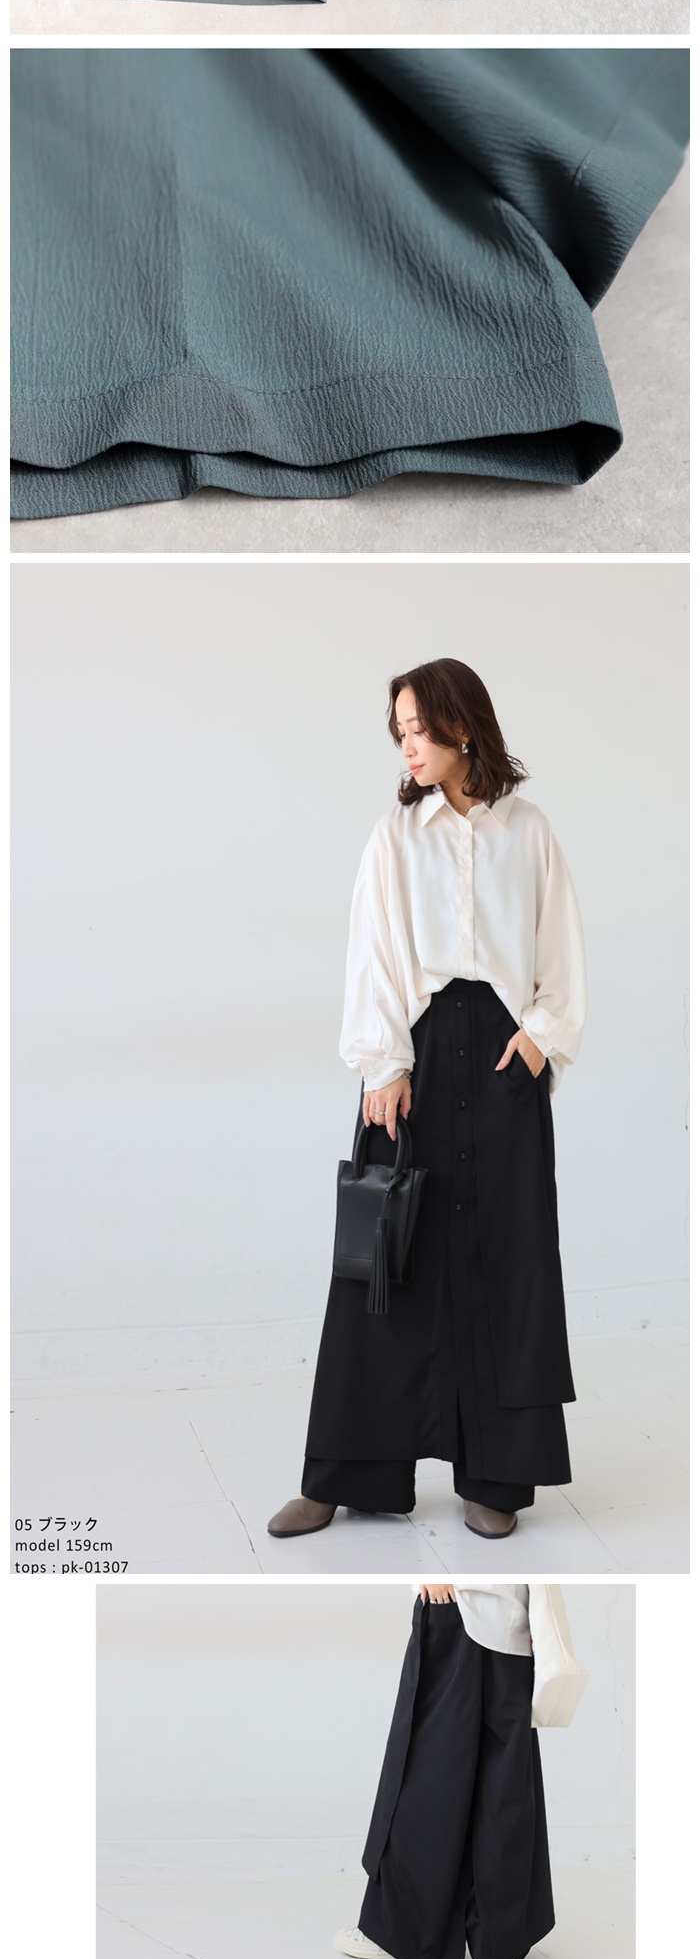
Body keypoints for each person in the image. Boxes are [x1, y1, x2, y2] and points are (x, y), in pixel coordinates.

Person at [269, 658, 586, 1544]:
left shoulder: (530, 832)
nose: (408, 746)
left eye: (420, 729)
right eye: (400, 732)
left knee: (509, 1256)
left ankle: (497, 1475)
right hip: (414, 1053)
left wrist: (539, 1038)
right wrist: (383, 1064)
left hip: (505, 1057)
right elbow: (372, 953)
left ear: (463, 727)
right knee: (384, 1257)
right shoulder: (395, 838)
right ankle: (346, 1472)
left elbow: (559, 948)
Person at [336, 1578, 560, 1959]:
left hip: (458, 1606)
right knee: (502, 1788)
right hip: (511, 1622)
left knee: (423, 1773)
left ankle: (404, 1932)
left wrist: (438, 1571)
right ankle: (499, 1940)